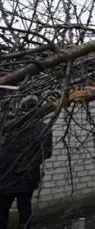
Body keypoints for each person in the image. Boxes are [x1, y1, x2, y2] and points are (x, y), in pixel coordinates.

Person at [0, 95, 53, 229]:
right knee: (25, 208)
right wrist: (26, 166)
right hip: (27, 178)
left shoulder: (8, 126)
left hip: (6, 178)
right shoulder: (43, 128)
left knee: (2, 209)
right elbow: (46, 153)